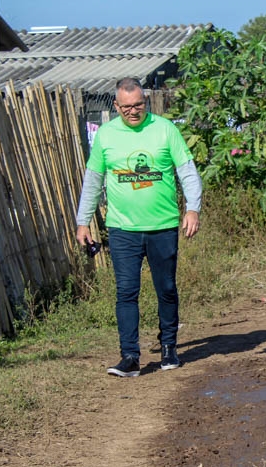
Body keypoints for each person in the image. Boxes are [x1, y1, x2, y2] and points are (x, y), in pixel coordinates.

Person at [75, 77, 203, 377]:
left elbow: (188, 172)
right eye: (127, 107)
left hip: (163, 225)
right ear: (116, 105)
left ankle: (169, 349)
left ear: (145, 103)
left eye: (139, 105)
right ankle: (130, 357)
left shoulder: (165, 129)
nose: (133, 112)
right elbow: (93, 181)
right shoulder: (106, 136)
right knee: (126, 292)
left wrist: (193, 208)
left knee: (166, 289)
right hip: (123, 229)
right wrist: (83, 221)